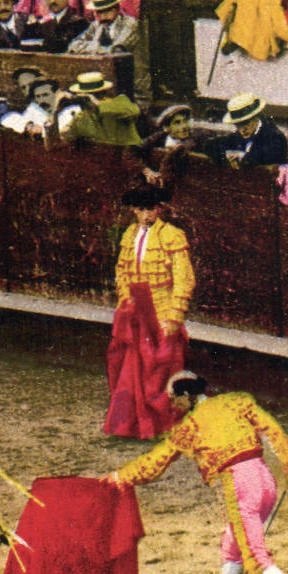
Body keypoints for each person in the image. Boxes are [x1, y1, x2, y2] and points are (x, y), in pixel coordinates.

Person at [109, 373, 288, 574]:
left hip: (239, 485)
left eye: (174, 400)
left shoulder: (191, 425)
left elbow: (158, 461)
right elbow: (273, 430)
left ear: (187, 396)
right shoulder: (238, 402)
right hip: (264, 479)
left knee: (254, 554)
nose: (173, 406)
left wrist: (121, 477)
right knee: (233, 542)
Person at [100, 186, 194, 439]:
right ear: (133, 210)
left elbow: (184, 280)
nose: (146, 215)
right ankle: (132, 425)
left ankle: (165, 425)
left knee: (160, 368)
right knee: (130, 367)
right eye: (141, 209)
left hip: (161, 306)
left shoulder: (173, 235)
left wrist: (174, 316)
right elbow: (121, 270)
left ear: (159, 208)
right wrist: (125, 300)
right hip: (135, 308)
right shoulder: (129, 233)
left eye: (151, 209)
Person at [205, 93, 288, 168]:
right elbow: (211, 146)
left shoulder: (275, 136)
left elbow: (270, 156)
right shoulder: (237, 136)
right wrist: (226, 154)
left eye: (246, 122)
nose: (243, 129)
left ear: (256, 117)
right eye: (238, 124)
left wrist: (244, 157)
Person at [57, 72, 141, 147]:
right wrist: (55, 111)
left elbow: (134, 111)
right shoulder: (81, 117)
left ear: (104, 93)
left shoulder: (120, 102)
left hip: (127, 158)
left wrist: (98, 104)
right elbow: (62, 142)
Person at [68, 0, 140, 54]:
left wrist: (91, 46)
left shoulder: (129, 23)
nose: (103, 16)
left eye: (107, 11)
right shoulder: (96, 25)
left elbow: (117, 49)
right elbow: (73, 45)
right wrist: (96, 47)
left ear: (117, 9)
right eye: (99, 12)